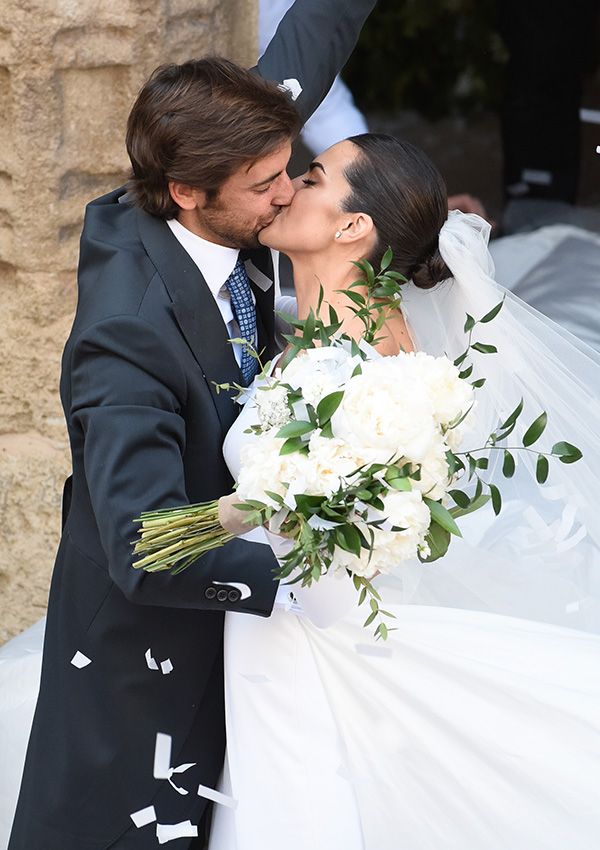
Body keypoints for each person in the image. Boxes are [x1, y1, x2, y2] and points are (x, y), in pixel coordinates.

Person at [6, 3, 378, 848]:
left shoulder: (219, 172)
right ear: (186, 192)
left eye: (293, 168)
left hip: (230, 661)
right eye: (267, 185)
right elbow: (145, 543)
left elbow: (301, 54)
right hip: (140, 676)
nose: (289, 194)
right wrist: (301, 579)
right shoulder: (126, 339)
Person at [206, 134, 600, 848]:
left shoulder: (378, 376)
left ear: (352, 227)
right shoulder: (319, 332)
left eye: (313, 176)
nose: (287, 186)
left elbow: (337, 571)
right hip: (270, 643)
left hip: (307, 659)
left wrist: (225, 522)